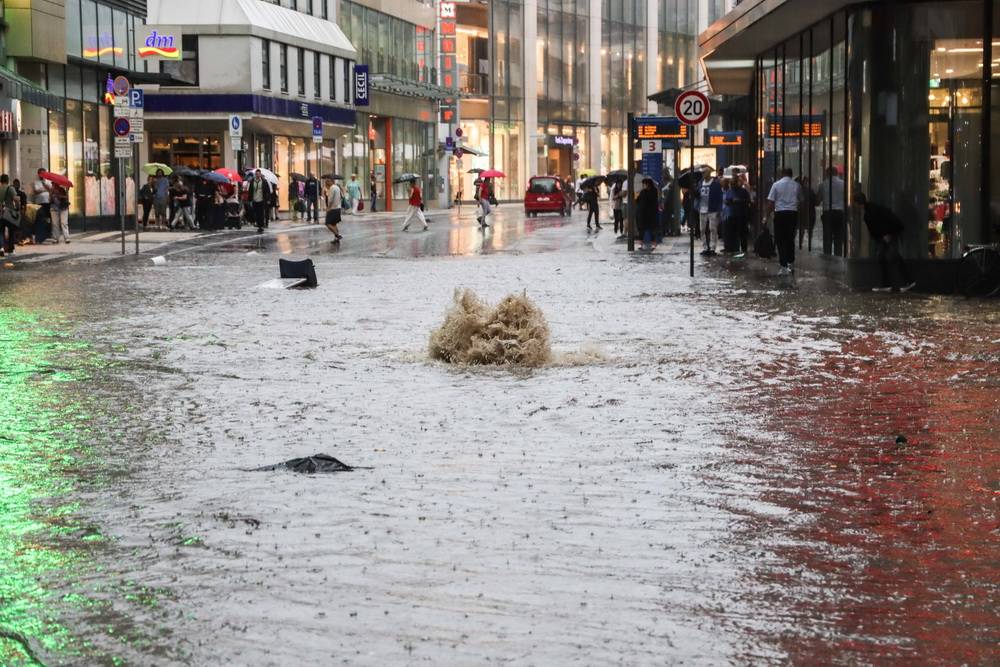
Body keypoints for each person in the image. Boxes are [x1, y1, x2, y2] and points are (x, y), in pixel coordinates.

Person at [856, 191, 916, 293]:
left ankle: (907, 281)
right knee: (885, 257)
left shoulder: (869, 213)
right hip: (889, 233)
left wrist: (886, 234)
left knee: (892, 256)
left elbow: (879, 225)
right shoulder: (872, 209)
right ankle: (892, 283)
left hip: (888, 234)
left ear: (858, 204)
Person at [767, 167, 802, 275]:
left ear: (782, 174)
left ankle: (783, 265)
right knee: (790, 238)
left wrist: (766, 216)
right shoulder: (797, 185)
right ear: (791, 175)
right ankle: (791, 262)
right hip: (792, 214)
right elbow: (801, 200)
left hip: (780, 214)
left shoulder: (776, 185)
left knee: (780, 239)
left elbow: (771, 202)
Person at [817, 167, 846, 256]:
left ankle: (827, 258)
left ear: (827, 174)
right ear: (837, 173)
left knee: (827, 239)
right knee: (838, 238)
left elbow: (818, 201)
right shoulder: (843, 184)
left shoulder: (822, 185)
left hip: (828, 213)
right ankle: (838, 258)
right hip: (840, 213)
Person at [697, 167, 723, 256]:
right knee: (702, 229)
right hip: (702, 209)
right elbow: (697, 194)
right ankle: (705, 247)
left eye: (704, 172)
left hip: (712, 209)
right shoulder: (700, 183)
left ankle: (712, 248)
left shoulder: (715, 184)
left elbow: (720, 196)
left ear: (708, 173)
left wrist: (719, 209)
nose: (703, 174)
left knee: (713, 229)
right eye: (702, 173)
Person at [727, 175, 752, 257]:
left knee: (742, 233)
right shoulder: (730, 191)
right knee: (733, 233)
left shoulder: (743, 191)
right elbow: (727, 201)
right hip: (732, 214)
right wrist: (730, 201)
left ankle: (744, 249)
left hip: (742, 214)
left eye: (734, 183)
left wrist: (739, 201)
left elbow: (748, 201)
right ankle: (735, 249)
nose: (733, 185)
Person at [636, 178, 659, 251]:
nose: (643, 186)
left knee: (652, 229)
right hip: (642, 213)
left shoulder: (653, 191)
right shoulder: (642, 191)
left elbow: (652, 199)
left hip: (651, 213)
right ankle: (640, 244)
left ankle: (653, 244)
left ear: (648, 184)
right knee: (641, 229)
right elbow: (637, 201)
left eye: (644, 184)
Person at [0, 174, 20, 257]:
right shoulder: (10, 188)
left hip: (1, 213)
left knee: (0, 231)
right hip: (10, 213)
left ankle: (1, 248)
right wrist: (17, 207)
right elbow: (16, 199)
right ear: (8, 180)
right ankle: (11, 249)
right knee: (11, 231)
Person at [32, 168, 53, 244]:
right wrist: (44, 189)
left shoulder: (48, 181)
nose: (42, 175)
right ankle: (41, 236)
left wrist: (44, 186)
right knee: (41, 219)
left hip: (48, 202)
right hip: (39, 203)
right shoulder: (36, 182)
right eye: (41, 173)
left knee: (48, 219)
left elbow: (51, 189)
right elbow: (36, 190)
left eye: (44, 173)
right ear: (38, 174)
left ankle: (48, 234)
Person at [249, 169, 271, 233]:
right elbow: (250, 190)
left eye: (258, 174)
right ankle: (258, 224)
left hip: (261, 200)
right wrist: (249, 199)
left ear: (260, 174)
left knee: (261, 214)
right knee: (256, 214)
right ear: (255, 175)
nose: (257, 175)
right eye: (256, 174)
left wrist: (268, 199)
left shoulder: (264, 181)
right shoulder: (252, 181)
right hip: (254, 199)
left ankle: (261, 226)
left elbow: (268, 191)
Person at [324, 176, 344, 242]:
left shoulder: (332, 188)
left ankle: (337, 235)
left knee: (328, 223)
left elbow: (330, 200)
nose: (326, 183)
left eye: (327, 181)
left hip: (333, 208)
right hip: (337, 207)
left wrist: (328, 208)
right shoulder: (337, 187)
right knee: (334, 224)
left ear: (331, 181)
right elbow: (341, 196)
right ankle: (336, 238)